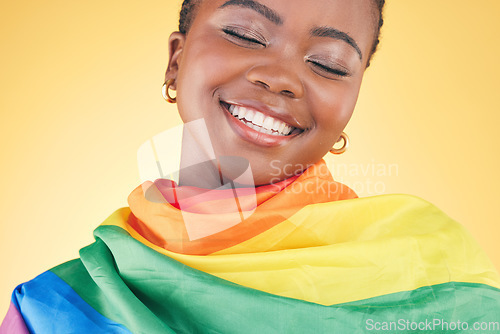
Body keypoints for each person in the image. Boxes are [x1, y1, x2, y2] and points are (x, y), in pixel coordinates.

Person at [1, 0, 500, 333]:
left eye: (328, 63)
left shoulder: (428, 282)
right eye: (244, 33)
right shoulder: (49, 310)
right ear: (176, 60)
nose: (281, 77)